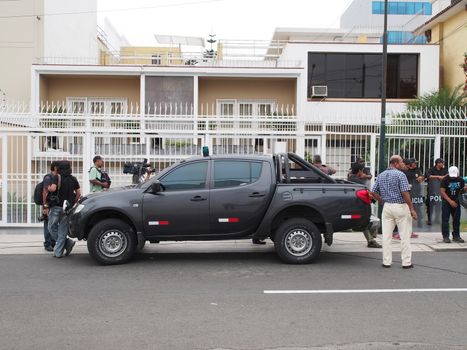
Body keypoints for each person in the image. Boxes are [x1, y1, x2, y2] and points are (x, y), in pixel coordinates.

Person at [370, 155, 417, 269]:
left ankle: (386, 261)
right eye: (401, 162)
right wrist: (411, 208)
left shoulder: (381, 175)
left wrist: (382, 201)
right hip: (400, 206)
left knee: (386, 236)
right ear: (395, 163)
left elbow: (373, 192)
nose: (403, 164)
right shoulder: (400, 175)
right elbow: (405, 193)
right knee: (404, 235)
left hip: (387, 207)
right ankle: (406, 262)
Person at [48, 160, 80, 258]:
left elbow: (53, 188)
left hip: (57, 207)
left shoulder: (56, 177)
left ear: (59, 168)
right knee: (62, 230)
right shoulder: (73, 179)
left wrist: (48, 188)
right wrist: (72, 203)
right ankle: (59, 251)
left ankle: (66, 244)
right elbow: (78, 193)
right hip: (67, 209)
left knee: (51, 227)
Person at [348, 163, 382, 248]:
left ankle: (371, 240)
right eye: (362, 171)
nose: (363, 173)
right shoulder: (358, 182)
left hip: (354, 204)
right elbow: (369, 194)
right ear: (359, 171)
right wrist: (377, 200)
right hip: (361, 205)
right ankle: (371, 240)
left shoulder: (350, 178)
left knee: (366, 222)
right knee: (374, 221)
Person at [440, 166, 466, 243]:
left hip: (456, 201)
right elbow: (442, 192)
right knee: (445, 220)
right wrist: (450, 201)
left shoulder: (460, 180)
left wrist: (464, 189)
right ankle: (445, 236)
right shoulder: (445, 179)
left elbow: (462, 190)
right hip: (446, 202)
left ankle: (456, 236)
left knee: (456, 220)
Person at [41, 162, 60, 251]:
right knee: (47, 223)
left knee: (53, 224)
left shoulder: (57, 178)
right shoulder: (48, 178)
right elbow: (45, 192)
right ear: (55, 168)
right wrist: (45, 206)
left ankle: (52, 243)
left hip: (53, 204)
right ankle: (47, 244)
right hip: (48, 205)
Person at [425, 158, 448, 225]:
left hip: (441, 191)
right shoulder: (431, 169)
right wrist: (439, 177)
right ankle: (429, 220)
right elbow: (428, 176)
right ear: (438, 163)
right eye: (442, 163)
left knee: (439, 205)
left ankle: (437, 219)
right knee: (430, 205)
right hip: (432, 191)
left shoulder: (444, 170)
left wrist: (443, 177)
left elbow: (447, 175)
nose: (443, 164)